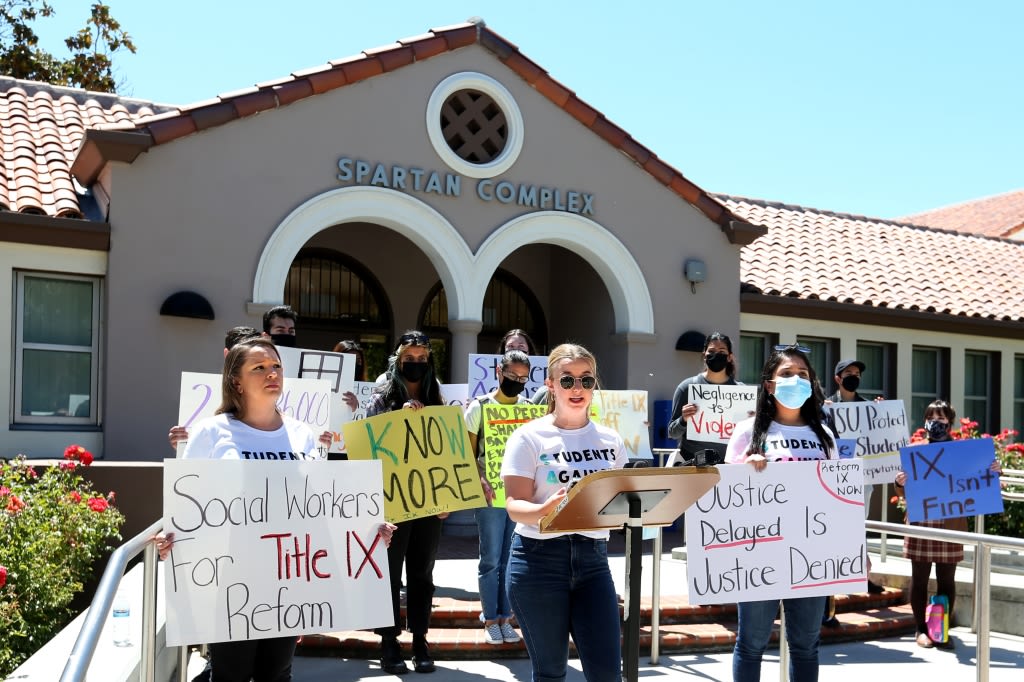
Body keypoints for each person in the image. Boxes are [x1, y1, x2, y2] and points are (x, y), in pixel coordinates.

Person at [153, 337, 395, 682]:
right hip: (229, 580)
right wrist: (171, 537)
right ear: (236, 380)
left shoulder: (301, 435)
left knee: (277, 674)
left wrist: (367, 529)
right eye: (259, 368)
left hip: (288, 580)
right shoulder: (211, 433)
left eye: (276, 366)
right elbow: (190, 505)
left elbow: (319, 506)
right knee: (229, 675)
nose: (272, 374)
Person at [502, 343, 626, 682]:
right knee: (551, 673)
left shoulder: (611, 440)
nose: (577, 388)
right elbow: (514, 506)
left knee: (606, 674)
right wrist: (543, 510)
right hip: (538, 561)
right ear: (550, 384)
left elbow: (622, 501)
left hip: (593, 561)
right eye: (567, 379)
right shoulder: (528, 437)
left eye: (586, 380)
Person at [724, 345, 836, 682]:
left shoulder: (825, 437)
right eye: (787, 374)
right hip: (761, 552)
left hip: (811, 554)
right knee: (752, 643)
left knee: (806, 644)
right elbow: (724, 496)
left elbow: (836, 499)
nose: (796, 380)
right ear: (770, 385)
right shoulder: (747, 433)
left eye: (803, 375)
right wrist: (746, 470)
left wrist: (852, 548)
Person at [368, 331, 447, 675]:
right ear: (398, 361)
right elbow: (369, 443)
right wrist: (398, 417)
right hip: (392, 501)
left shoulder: (437, 398)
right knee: (389, 573)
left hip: (429, 501)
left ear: (429, 362)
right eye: (408, 359)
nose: (415, 364)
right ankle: (388, 641)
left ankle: (420, 640)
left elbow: (445, 452)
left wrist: (447, 497)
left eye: (421, 359)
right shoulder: (381, 397)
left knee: (422, 572)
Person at [893, 400, 1001, 650]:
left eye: (941, 419)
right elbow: (902, 491)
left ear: (950, 423)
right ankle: (921, 629)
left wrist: (994, 470)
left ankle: (940, 629)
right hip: (921, 522)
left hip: (949, 525)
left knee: (947, 580)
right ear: (925, 422)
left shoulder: (963, 453)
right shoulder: (914, 451)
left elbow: (981, 479)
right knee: (919, 578)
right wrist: (900, 481)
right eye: (932, 418)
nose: (936, 423)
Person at [464, 350, 531, 645]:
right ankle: (490, 618)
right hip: (490, 496)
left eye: (523, 378)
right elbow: (467, 454)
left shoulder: (529, 409)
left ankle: (506, 617)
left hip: (519, 498)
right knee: (490, 559)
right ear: (498, 372)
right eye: (512, 376)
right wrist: (479, 480)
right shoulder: (479, 408)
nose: (517, 382)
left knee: (511, 559)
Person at [822, 359, 884, 620]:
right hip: (835, 479)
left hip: (863, 478)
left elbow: (882, 437)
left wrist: (882, 413)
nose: (853, 377)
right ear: (838, 378)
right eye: (849, 373)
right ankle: (830, 596)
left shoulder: (868, 407)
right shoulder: (826, 406)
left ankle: (862, 574)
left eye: (857, 373)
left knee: (860, 526)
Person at [667, 332, 739, 464]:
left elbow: (750, 435)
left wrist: (751, 421)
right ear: (704, 355)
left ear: (729, 357)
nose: (716, 354)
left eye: (721, 351)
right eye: (711, 351)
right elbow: (672, 433)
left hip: (729, 466)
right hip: (693, 464)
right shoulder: (687, 387)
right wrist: (683, 419)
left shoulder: (741, 392)